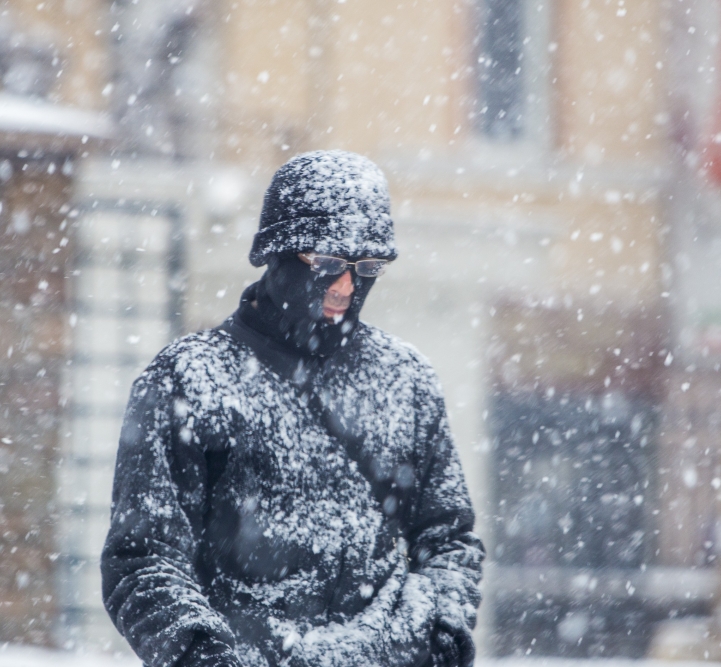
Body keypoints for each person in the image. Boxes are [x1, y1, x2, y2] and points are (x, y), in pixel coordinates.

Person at [101, 150, 485, 667]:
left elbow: (449, 540)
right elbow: (144, 559)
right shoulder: (189, 380)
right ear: (277, 253)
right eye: (327, 263)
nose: (346, 286)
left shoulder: (406, 380)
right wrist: (210, 659)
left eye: (367, 266)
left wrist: (432, 636)